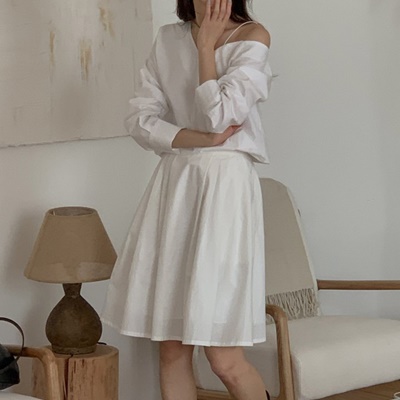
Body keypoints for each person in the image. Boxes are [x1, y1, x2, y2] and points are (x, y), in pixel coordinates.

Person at [101, 0, 272, 399]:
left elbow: (220, 115)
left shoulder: (253, 36)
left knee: (223, 358)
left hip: (224, 188)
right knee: (172, 350)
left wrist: (206, 46)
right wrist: (197, 140)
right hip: (176, 184)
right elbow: (140, 120)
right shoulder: (168, 38)